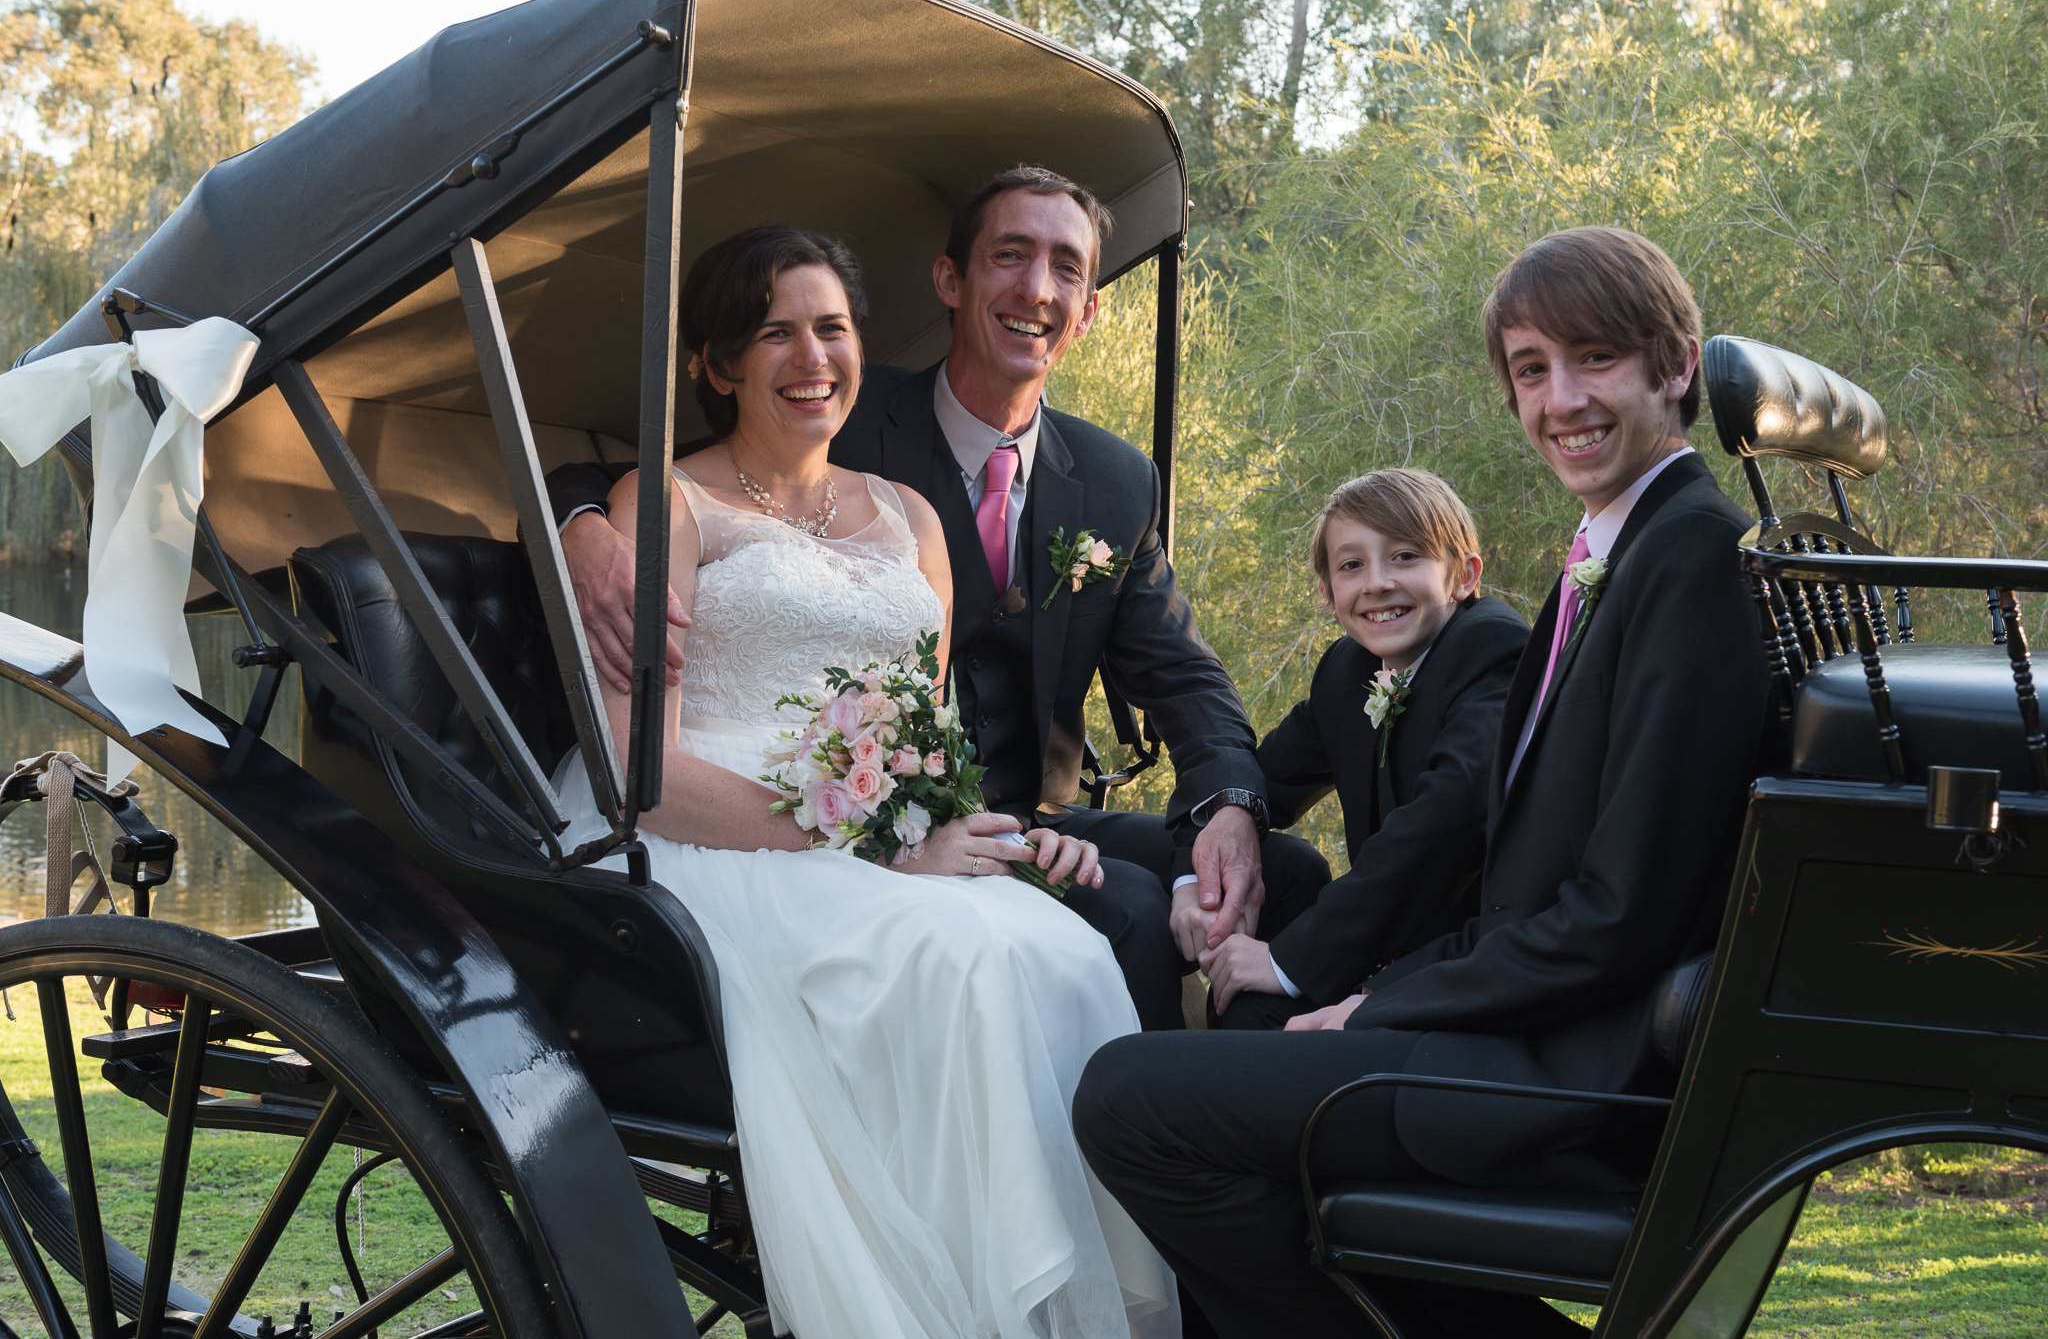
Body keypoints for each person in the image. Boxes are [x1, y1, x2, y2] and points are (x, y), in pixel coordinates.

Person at [1072, 226, 1772, 1339]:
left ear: (1675, 364)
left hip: (1568, 1072)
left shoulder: (1687, 555)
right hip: (1520, 1026)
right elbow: (1523, 883)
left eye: (1593, 358)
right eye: (1530, 370)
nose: (1560, 400)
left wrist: (1376, 1001)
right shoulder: (1616, 552)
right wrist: (1250, 846)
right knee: (1229, 1055)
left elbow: (1616, 913)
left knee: (1128, 1100)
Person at [554, 224, 1178, 1339]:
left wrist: (993, 833)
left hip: (881, 834)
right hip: (713, 838)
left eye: (831, 327)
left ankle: (1041, 1307)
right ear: (718, 363)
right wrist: (866, 843)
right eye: (775, 332)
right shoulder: (669, 504)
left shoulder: (907, 513)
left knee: (1065, 949)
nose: (812, 356)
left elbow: (925, 744)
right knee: (957, 960)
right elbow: (634, 773)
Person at [548, 165, 1328, 1031]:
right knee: (1135, 910)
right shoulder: (839, 403)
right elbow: (653, 473)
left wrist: (1228, 806)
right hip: (852, 816)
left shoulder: (1113, 480)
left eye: (1066, 267)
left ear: (1090, 308)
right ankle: (1150, 1138)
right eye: (1010, 255)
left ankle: (1240, 1112)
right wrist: (580, 524)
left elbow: (1184, 675)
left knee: (1287, 876)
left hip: (1001, 808)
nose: (1036, 288)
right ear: (950, 281)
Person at [1201, 469, 1528, 1031]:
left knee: (1254, 1017)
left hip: (1472, 960)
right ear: (1329, 595)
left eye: (1405, 556)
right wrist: (1229, 818)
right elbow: (1268, 776)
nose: (1376, 583)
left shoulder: (1493, 653)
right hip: (1386, 945)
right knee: (1242, 1007)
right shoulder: (1347, 670)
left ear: (1464, 576)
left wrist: (1287, 958)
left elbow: (1442, 827)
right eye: (1351, 565)